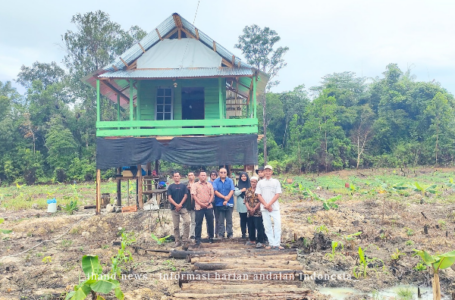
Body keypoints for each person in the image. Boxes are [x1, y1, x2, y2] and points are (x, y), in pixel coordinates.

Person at [256, 165, 284, 250]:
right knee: (267, 226)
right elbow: (258, 195)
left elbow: (277, 194)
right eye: (266, 171)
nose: (267, 172)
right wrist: (266, 205)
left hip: (274, 207)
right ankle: (271, 243)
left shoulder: (276, 182)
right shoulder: (260, 183)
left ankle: (277, 243)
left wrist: (269, 204)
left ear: (271, 172)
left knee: (277, 225)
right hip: (264, 208)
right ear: (264, 172)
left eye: (269, 171)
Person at [191, 171, 215, 245]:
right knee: (198, 223)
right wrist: (200, 203)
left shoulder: (210, 184)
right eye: (202, 175)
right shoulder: (195, 185)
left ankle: (211, 237)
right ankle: (197, 238)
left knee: (210, 222)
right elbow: (194, 195)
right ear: (199, 176)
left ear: (206, 176)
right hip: (199, 207)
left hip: (208, 206)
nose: (203, 177)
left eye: (204, 175)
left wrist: (208, 202)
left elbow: (212, 194)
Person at [167, 172, 190, 247]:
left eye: (177, 176)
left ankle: (185, 239)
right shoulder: (170, 187)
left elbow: (185, 196)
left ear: (180, 177)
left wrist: (180, 204)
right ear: (173, 178)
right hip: (174, 208)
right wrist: (176, 205)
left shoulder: (183, 186)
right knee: (176, 226)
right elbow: (169, 197)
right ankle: (177, 241)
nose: (176, 177)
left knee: (187, 221)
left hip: (183, 207)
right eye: (175, 176)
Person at [213, 167, 235, 238]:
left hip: (229, 203)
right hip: (219, 203)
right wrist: (224, 197)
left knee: (229, 219)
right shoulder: (216, 181)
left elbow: (232, 190)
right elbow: (215, 191)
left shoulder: (230, 180)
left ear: (226, 173)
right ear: (219, 173)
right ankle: (221, 234)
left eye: (224, 172)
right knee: (220, 220)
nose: (223, 174)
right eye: (221, 172)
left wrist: (227, 198)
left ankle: (230, 233)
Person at [244, 176, 265, 248]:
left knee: (259, 226)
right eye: (252, 182)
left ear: (257, 182)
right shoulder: (248, 190)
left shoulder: (260, 191)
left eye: (254, 182)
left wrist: (254, 209)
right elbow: (246, 201)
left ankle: (260, 241)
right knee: (250, 226)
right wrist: (249, 209)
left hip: (258, 212)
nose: (253, 183)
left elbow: (261, 201)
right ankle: (252, 240)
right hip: (249, 212)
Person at [234, 172, 250, 239]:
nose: (244, 177)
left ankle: (250, 233)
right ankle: (243, 233)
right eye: (242, 176)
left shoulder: (250, 184)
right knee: (243, 219)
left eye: (245, 176)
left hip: (249, 204)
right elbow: (235, 193)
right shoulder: (238, 185)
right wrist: (242, 190)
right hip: (241, 204)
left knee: (250, 220)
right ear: (240, 177)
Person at [207, 170, 219, 236]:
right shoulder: (207, 183)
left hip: (217, 201)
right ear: (210, 175)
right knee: (209, 218)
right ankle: (209, 233)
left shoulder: (218, 182)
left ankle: (217, 233)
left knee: (217, 218)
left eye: (215, 174)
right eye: (212, 174)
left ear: (216, 176)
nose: (213, 175)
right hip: (210, 201)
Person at [186, 172, 196, 240]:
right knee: (185, 221)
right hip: (187, 205)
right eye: (189, 175)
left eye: (191, 175)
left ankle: (192, 234)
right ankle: (183, 234)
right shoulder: (185, 185)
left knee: (193, 221)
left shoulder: (197, 184)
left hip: (195, 205)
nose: (190, 176)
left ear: (194, 176)